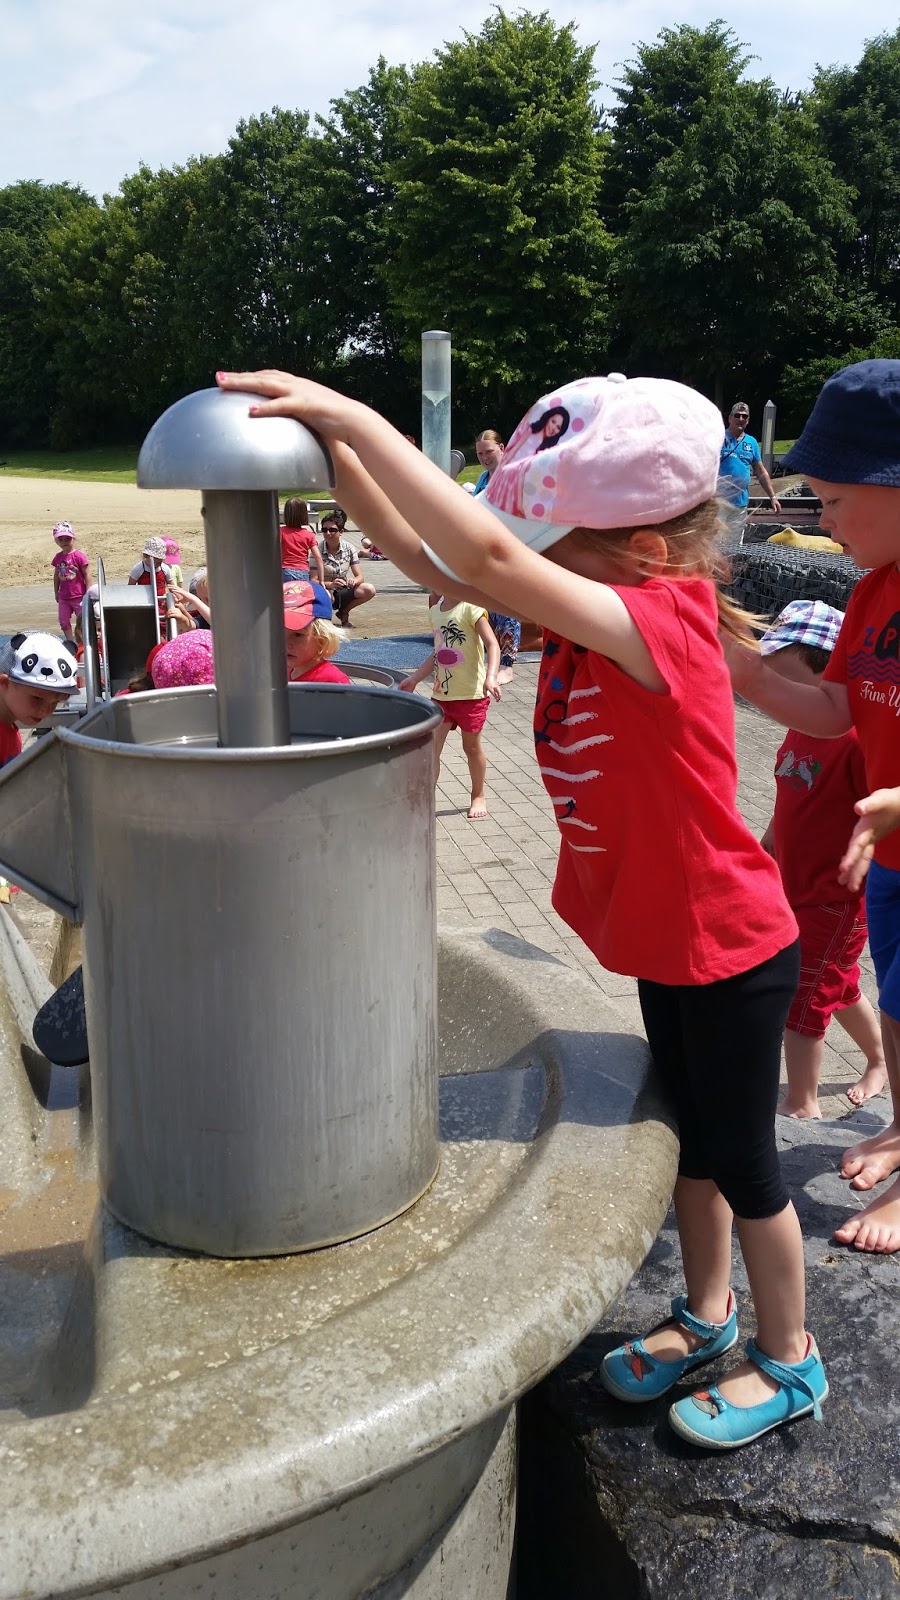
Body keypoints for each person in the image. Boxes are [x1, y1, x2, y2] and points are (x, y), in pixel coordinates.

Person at [216, 364, 831, 1450]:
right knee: (691, 1147)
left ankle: (791, 1358)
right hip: (670, 943)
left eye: (553, 550)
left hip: (730, 949)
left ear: (643, 554)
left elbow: (489, 558)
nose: (527, 570)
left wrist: (355, 413)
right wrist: (336, 461)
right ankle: (708, 1313)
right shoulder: (604, 615)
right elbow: (437, 560)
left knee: (745, 1163)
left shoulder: (661, 621)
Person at [727, 358, 900, 1254]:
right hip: (887, 858)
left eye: (833, 500)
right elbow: (836, 709)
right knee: (896, 1003)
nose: (820, 519)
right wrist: (739, 665)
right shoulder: (871, 590)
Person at [758, 600, 886, 1118]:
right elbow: (790, 790)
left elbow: (879, 816)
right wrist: (769, 839)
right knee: (839, 983)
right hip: (794, 883)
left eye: (784, 678)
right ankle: (880, 1059)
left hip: (835, 899)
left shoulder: (855, 740)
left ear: (827, 670)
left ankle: (801, 1104)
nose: (775, 692)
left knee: (804, 998)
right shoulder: (800, 722)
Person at [400, 596, 501, 820]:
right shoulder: (435, 612)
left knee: (471, 747)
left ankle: (478, 794)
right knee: (432, 749)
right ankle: (425, 798)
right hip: (441, 696)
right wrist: (415, 678)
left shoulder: (472, 609)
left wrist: (492, 676)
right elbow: (438, 652)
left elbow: (493, 644)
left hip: (471, 696)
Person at [473, 430, 520, 687]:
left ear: (502, 448)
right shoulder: (482, 478)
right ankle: (491, 658)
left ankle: (507, 665)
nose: (484, 457)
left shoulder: (511, 477)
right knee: (487, 605)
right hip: (487, 550)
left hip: (510, 548)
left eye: (489, 451)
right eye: (480, 453)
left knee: (507, 606)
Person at [0, 631, 81, 764]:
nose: (46, 711)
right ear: (4, 683)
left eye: (55, 702)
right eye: (37, 698)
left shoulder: (10, 728)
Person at [283, 580, 351, 684]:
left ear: (322, 639)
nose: (286, 643)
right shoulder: (280, 672)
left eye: (297, 635)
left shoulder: (332, 682)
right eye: (279, 634)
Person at [719, 402, 781, 515]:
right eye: (737, 415)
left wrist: (772, 496)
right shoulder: (718, 438)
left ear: (748, 420)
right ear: (730, 418)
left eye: (744, 416)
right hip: (718, 502)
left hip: (740, 504)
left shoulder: (752, 442)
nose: (741, 419)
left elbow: (761, 472)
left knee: (738, 528)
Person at [318, 509, 376, 626]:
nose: (328, 533)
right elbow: (313, 580)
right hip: (325, 589)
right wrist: (331, 584)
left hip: (342, 589)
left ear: (341, 532)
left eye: (332, 530)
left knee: (369, 589)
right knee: (328, 597)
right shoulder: (317, 550)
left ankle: (344, 611)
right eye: (324, 530)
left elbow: (360, 577)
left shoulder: (349, 548)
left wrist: (353, 581)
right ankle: (324, 622)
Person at [50, 522, 89, 641]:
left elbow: (87, 574)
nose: (64, 542)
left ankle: (82, 642)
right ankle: (70, 642)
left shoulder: (79, 556)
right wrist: (56, 592)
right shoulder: (58, 557)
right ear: (56, 541)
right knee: (63, 622)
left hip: (79, 596)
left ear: (73, 538)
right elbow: (56, 576)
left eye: (67, 538)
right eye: (60, 539)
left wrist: (88, 593)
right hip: (64, 597)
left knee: (83, 622)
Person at [128, 536, 175, 619]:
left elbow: (173, 587)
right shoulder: (138, 569)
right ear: (147, 556)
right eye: (156, 559)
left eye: (160, 559)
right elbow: (130, 589)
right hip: (144, 604)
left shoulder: (165, 569)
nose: (159, 561)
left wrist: (174, 599)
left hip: (161, 604)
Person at [281, 499, 325, 584]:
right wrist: (322, 580)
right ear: (304, 514)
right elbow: (318, 558)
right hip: (303, 572)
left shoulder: (281, 532)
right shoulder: (309, 535)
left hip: (285, 571)